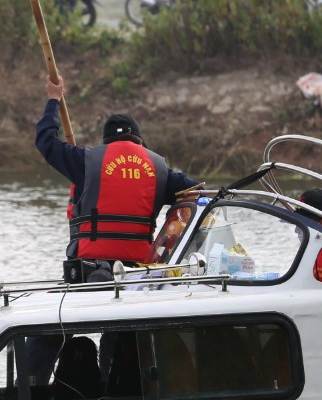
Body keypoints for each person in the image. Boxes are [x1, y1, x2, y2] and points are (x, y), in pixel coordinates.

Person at [36, 73, 200, 274]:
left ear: (106, 142)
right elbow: (198, 193)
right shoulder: (159, 169)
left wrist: (53, 99)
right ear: (140, 142)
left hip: (91, 268)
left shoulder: (88, 161)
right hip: (140, 273)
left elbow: (46, 141)